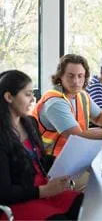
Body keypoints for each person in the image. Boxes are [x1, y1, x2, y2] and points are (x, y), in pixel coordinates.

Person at [0, 70, 83, 220]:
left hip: (45, 190)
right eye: (28, 94)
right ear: (9, 97)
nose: (33, 99)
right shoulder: (2, 137)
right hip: (21, 201)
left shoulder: (29, 123)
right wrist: (44, 191)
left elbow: (39, 159)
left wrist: (64, 162)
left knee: (85, 205)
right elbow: (4, 192)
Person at [33, 54, 102, 156]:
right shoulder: (55, 102)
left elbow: (100, 116)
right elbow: (78, 138)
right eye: (71, 76)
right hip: (49, 161)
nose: (76, 81)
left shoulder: (81, 95)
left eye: (80, 76)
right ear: (60, 76)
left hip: (71, 154)